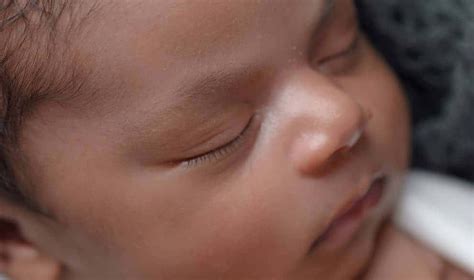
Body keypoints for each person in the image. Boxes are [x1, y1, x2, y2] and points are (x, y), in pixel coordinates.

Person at [0, 0, 471, 279]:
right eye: (221, 138)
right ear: (16, 239)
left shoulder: (435, 218)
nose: (341, 115)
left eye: (340, 46)